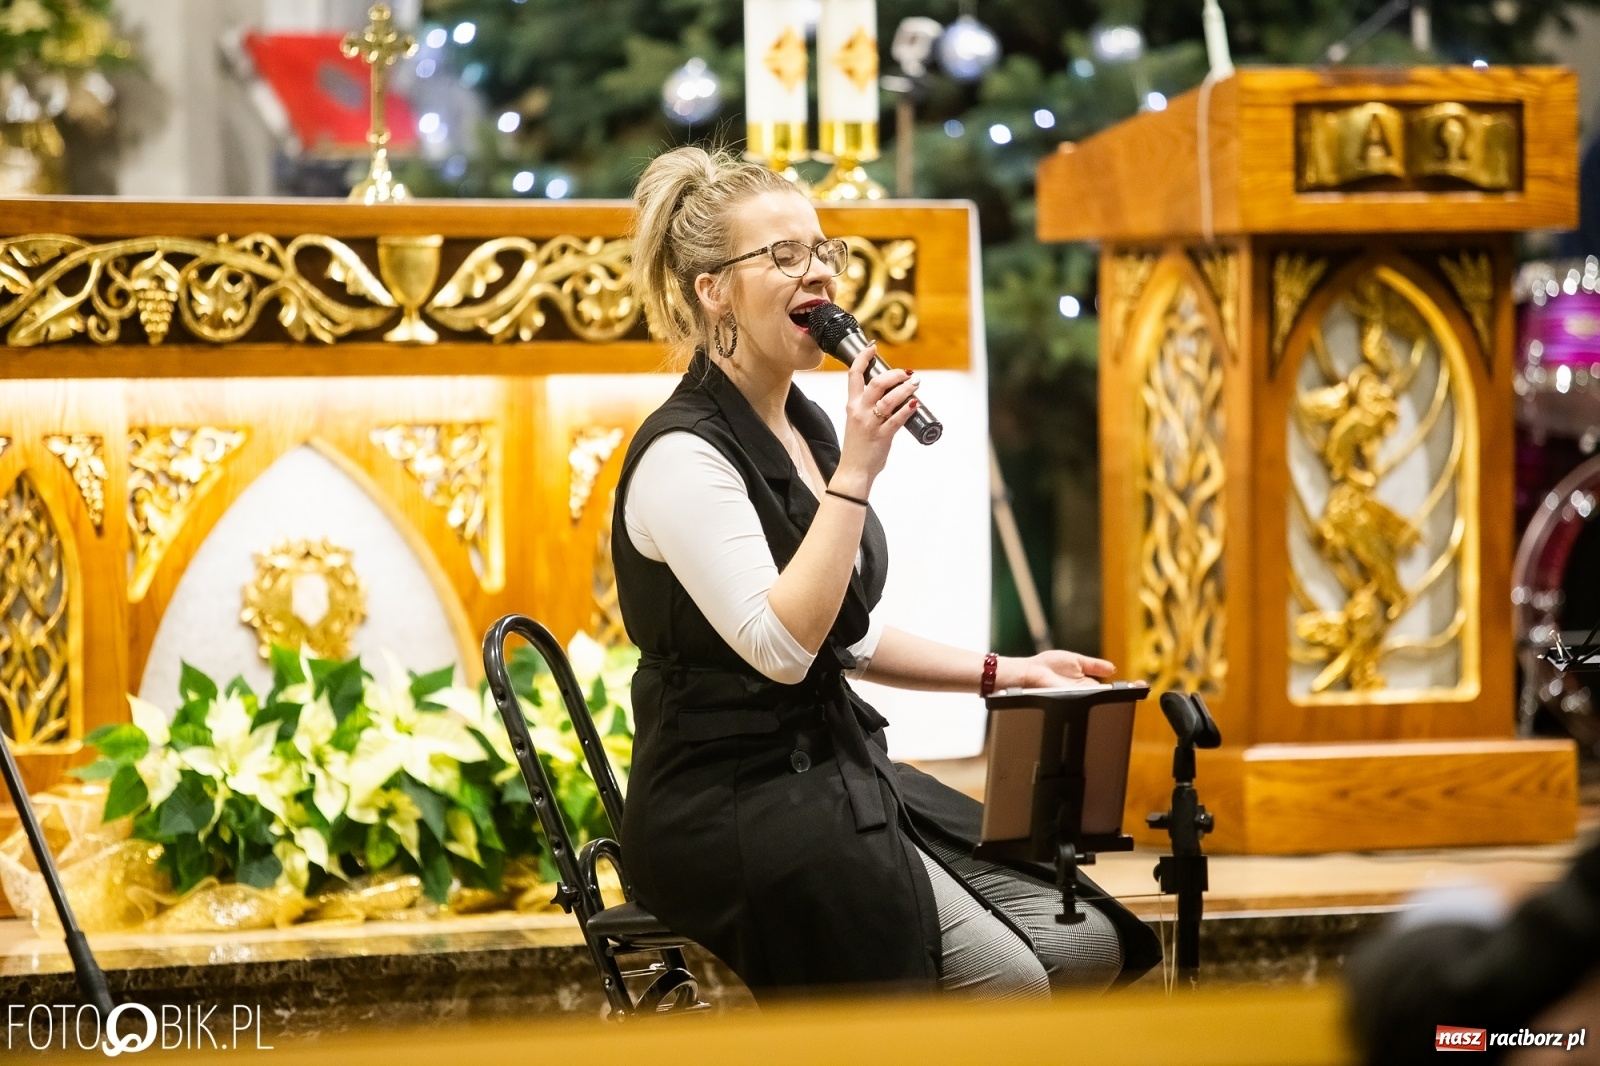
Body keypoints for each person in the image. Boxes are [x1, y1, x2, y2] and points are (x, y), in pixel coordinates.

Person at [611, 145, 1160, 1000]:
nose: (815, 273)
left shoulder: (806, 425)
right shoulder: (685, 454)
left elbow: (846, 635)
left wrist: (1003, 673)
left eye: (821, 250)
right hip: (731, 802)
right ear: (711, 288)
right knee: (1006, 983)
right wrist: (858, 474)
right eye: (781, 257)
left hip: (832, 772)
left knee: (1089, 945)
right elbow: (782, 649)